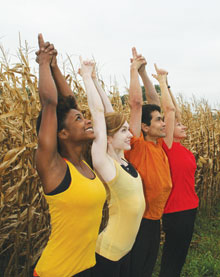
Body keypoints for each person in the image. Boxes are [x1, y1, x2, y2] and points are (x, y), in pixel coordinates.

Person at [33, 34, 106, 277]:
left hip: (86, 268)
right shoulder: (53, 168)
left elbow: (68, 102)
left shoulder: (82, 163)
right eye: (79, 119)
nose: (87, 120)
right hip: (57, 272)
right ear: (62, 134)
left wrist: (55, 67)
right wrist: (43, 63)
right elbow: (50, 104)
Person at [78, 57, 145, 277]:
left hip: (124, 251)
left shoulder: (122, 157)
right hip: (107, 254)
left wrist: (97, 80)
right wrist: (86, 77)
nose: (131, 134)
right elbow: (99, 114)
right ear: (108, 137)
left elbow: (108, 112)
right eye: (124, 131)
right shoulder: (104, 161)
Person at [124, 48, 173, 277]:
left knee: (146, 270)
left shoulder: (158, 146)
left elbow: (153, 103)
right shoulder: (137, 146)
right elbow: (136, 105)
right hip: (139, 223)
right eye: (158, 121)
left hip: (154, 222)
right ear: (144, 127)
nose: (164, 123)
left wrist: (145, 73)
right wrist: (133, 69)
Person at [152, 68, 199, 277]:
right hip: (176, 210)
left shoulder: (183, 149)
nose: (183, 125)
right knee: (171, 259)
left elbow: (176, 112)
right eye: (177, 124)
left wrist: (168, 84)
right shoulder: (167, 146)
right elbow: (170, 111)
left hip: (190, 208)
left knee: (179, 257)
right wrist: (161, 81)